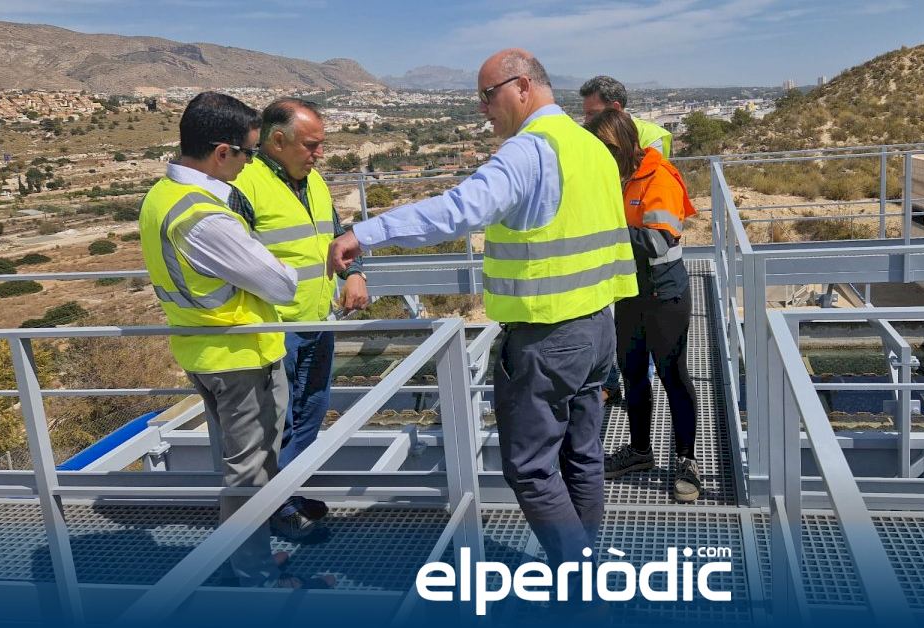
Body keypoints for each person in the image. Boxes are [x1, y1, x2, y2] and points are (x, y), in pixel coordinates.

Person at [329, 49, 636, 567]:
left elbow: (458, 210)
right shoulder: (590, 147)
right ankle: (587, 562)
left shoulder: (530, 151)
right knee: (582, 457)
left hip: (546, 337)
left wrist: (367, 232)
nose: (482, 109)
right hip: (598, 329)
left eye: (487, 96)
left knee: (531, 469)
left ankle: (582, 580)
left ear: (522, 87)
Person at [138, 91, 331, 588]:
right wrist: (284, 268)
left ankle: (251, 559)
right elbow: (280, 284)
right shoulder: (205, 216)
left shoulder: (163, 196)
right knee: (248, 474)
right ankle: (255, 578)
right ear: (222, 152)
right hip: (239, 356)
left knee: (247, 469)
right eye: (247, 152)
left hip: (206, 350)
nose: (250, 162)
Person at [231, 97, 369, 541]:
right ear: (277, 140)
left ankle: (289, 492)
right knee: (278, 422)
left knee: (310, 411)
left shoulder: (314, 181)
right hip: (275, 329)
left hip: (318, 320)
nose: (319, 154)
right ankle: (278, 508)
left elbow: (336, 236)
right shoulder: (243, 185)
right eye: (311, 145)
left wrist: (353, 274)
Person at [585, 109, 701, 503]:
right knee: (633, 373)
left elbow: (658, 240)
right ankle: (639, 452)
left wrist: (604, 230)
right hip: (630, 293)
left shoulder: (659, 176)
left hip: (664, 294)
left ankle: (686, 460)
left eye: (603, 149)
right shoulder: (616, 179)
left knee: (672, 375)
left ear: (619, 146)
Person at [579, 75, 673, 157]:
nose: (586, 121)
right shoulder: (588, 135)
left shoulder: (650, 135)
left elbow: (652, 169)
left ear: (615, 108)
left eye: (592, 113)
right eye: (586, 114)